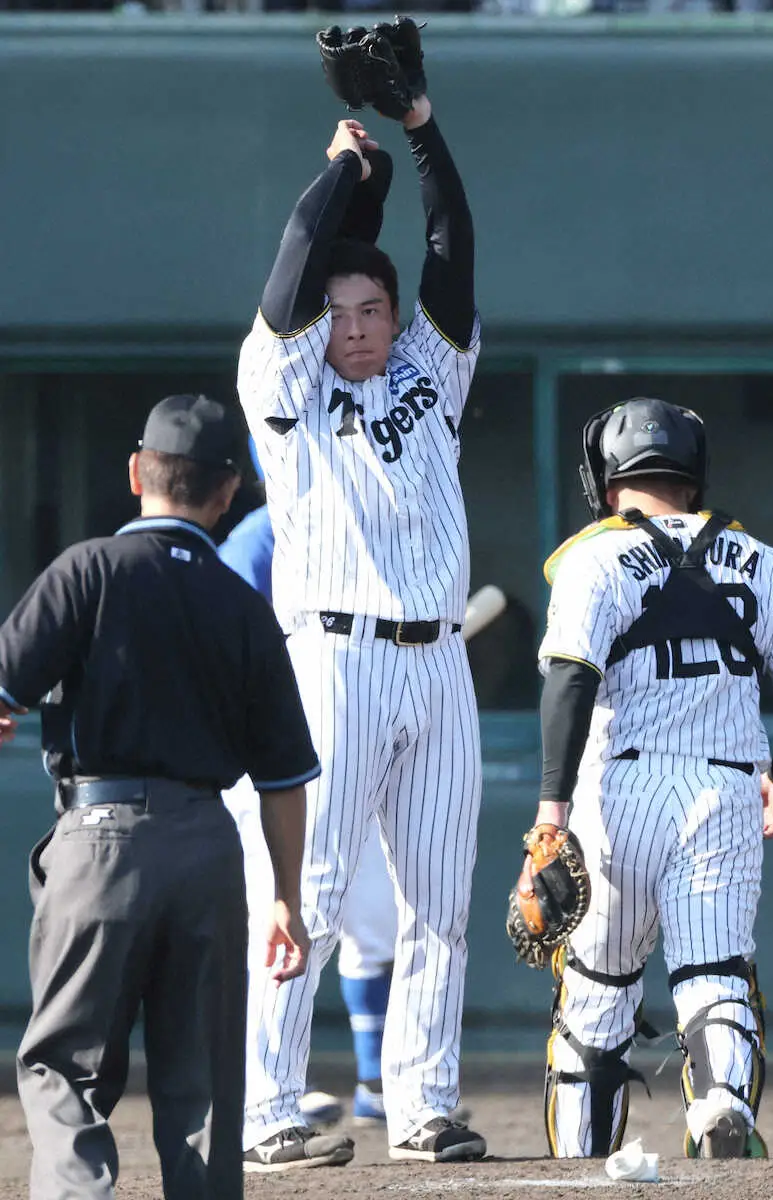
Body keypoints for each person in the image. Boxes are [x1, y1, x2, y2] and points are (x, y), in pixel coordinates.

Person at [235, 63, 487, 1169]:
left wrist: (420, 130)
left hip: (439, 663)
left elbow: (453, 246)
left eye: (369, 307)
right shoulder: (285, 388)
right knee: (314, 897)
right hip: (332, 656)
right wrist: (344, 171)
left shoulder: (432, 368)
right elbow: (296, 267)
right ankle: (269, 1108)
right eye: (339, 314)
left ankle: (424, 1105)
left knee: (443, 905)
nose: (352, 326)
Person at [0, 393, 326, 1200]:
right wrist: (285, 896)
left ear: (137, 472)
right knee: (204, 1086)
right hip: (210, 846)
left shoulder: (88, 568)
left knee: (65, 1067)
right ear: (226, 495)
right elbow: (283, 778)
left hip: (99, 837)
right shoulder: (245, 607)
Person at [520, 397, 773, 1160]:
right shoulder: (757, 556)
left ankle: (584, 1164)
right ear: (693, 472)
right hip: (725, 785)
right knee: (714, 973)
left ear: (604, 474)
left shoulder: (593, 555)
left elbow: (568, 681)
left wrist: (549, 814)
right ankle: (720, 1105)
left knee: (596, 987)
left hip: (617, 791)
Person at [219, 469, 399, 1128]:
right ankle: (260, 1094)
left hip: (355, 747)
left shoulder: (376, 530)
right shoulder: (260, 538)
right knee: (271, 926)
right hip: (271, 766)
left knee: (375, 923)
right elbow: (226, 654)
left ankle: (377, 1083)